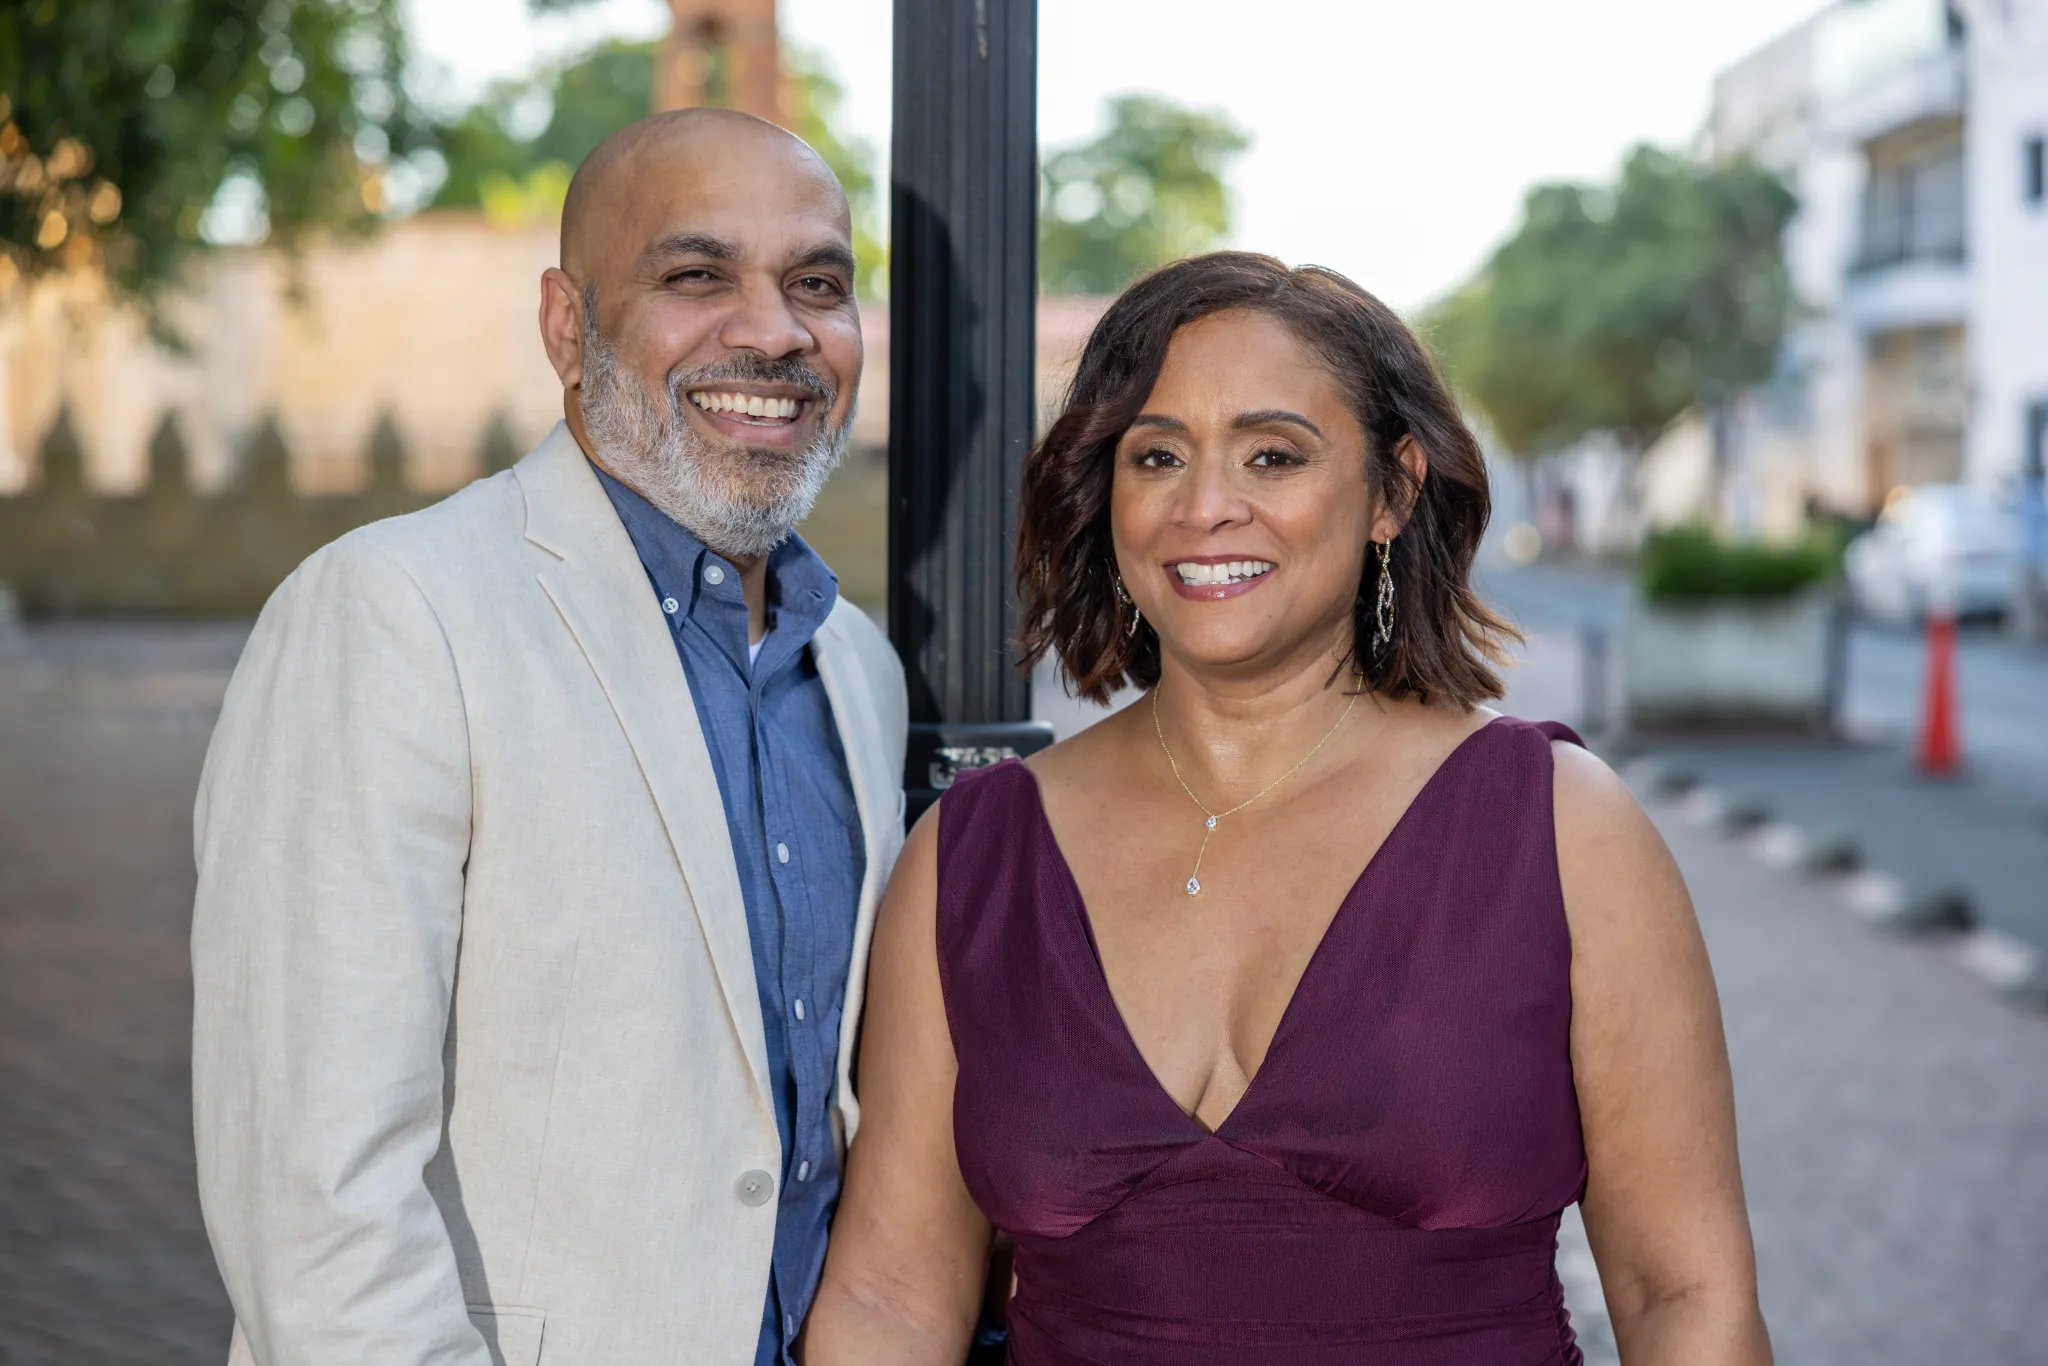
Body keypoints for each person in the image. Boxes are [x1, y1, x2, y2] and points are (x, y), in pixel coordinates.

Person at [804, 252, 1771, 1364]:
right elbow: (888, 1297)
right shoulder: (971, 857)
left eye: (1272, 455)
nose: (1206, 507)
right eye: (1155, 455)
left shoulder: (1562, 831)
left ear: (1391, 492)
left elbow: (1681, 1293)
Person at [191, 109, 905, 1366]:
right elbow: (314, 1191)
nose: (776, 330)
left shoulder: (853, 666)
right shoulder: (395, 614)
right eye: (697, 275)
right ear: (569, 327)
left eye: (817, 284)